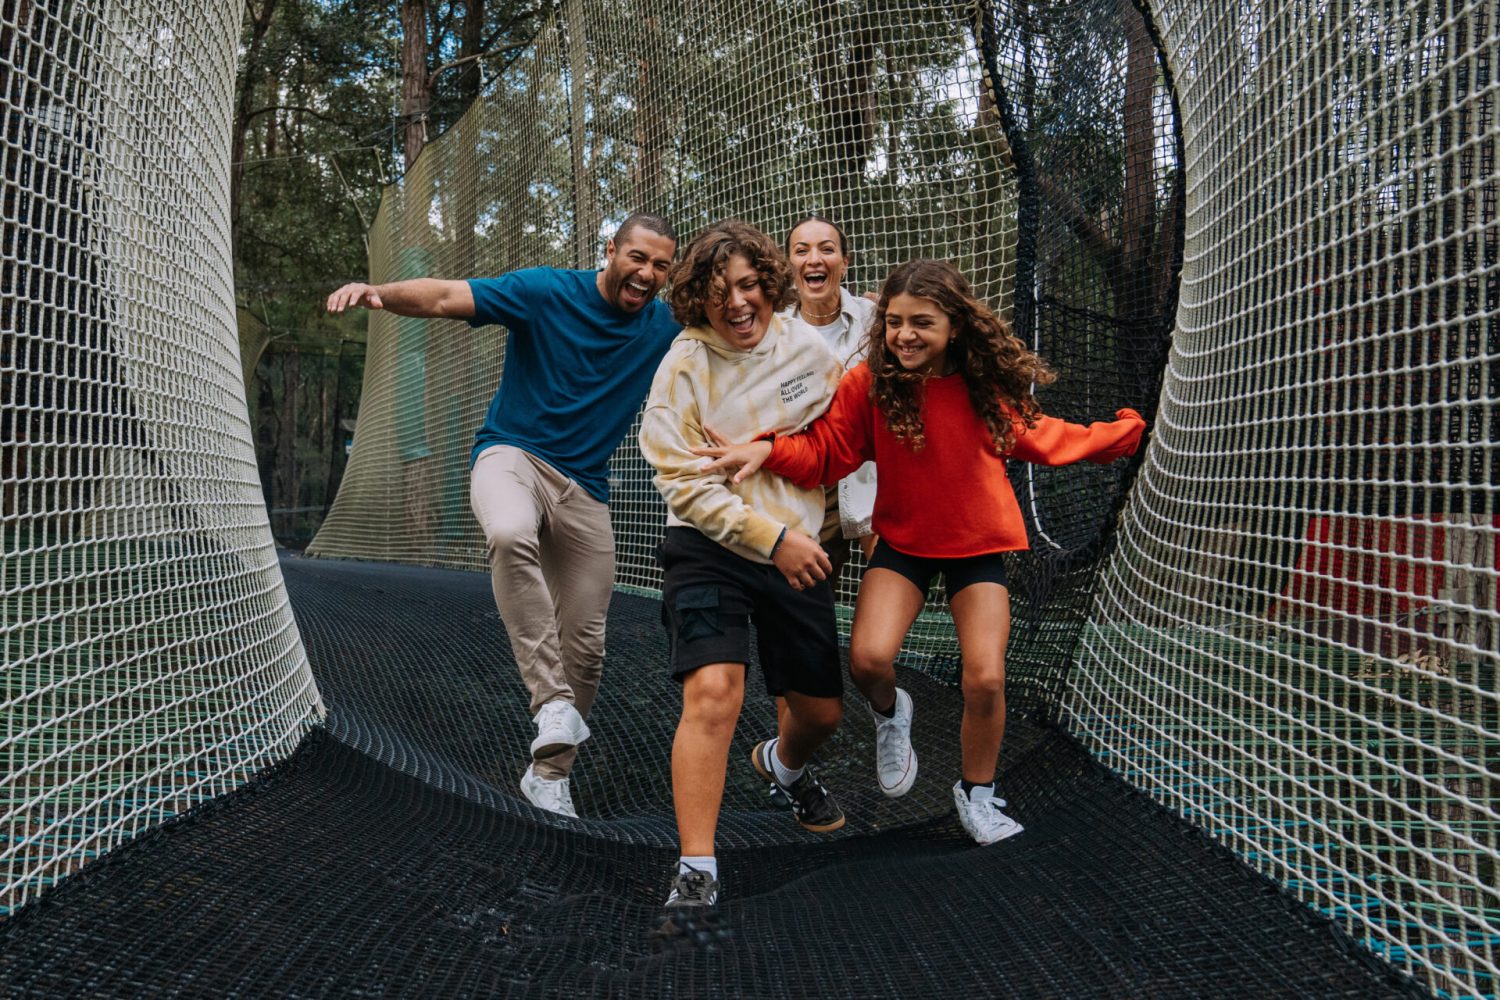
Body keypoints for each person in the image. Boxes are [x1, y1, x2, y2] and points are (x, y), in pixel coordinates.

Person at [696, 258, 1145, 844]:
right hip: (905, 544)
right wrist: (766, 450)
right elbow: (830, 451)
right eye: (894, 322)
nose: (904, 334)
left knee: (985, 678)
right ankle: (892, 713)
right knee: (868, 661)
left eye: (922, 323)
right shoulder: (871, 385)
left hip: (977, 548)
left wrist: (1127, 432)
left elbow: (1048, 437)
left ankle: (977, 794)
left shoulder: (984, 388)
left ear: (953, 326)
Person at [324, 213, 680, 819]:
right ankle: (550, 703)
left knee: (588, 648)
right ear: (611, 250)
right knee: (511, 531)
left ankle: (549, 775)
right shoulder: (546, 291)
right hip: (511, 455)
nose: (646, 273)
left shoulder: (665, 325)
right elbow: (443, 296)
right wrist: (381, 293)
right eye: (637, 257)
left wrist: (835, 306)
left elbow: (744, 318)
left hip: (586, 488)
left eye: (660, 266)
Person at [638, 219, 848, 916]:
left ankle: (782, 766)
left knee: (819, 712)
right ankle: (696, 868)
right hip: (710, 550)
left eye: (750, 286)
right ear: (698, 299)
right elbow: (688, 488)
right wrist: (771, 538)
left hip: (801, 546)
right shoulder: (683, 368)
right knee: (714, 693)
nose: (738, 303)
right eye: (720, 291)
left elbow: (839, 435)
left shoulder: (807, 349)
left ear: (770, 286)